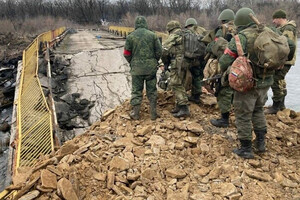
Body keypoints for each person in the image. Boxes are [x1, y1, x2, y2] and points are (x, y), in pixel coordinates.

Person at [219, 8, 279, 159]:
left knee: (243, 115)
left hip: (247, 83)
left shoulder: (241, 38)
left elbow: (224, 61)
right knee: (258, 110)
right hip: (266, 82)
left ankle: (246, 148)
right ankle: (260, 144)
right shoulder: (268, 32)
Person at [123, 16, 162, 120]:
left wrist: (132, 62)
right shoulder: (153, 35)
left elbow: (126, 53)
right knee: (152, 91)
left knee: (136, 91)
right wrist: (154, 61)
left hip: (137, 69)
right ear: (145, 23)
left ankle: (135, 114)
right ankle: (153, 114)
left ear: (136, 24)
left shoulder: (130, 36)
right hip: (151, 69)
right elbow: (159, 51)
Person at [265, 9, 297, 114]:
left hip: (285, 61)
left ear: (279, 18)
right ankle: (281, 106)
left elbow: (287, 46)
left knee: (275, 80)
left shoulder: (288, 29)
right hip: (285, 60)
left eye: (274, 19)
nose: (273, 21)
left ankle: (276, 106)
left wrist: (281, 61)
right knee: (281, 81)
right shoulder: (283, 28)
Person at [207, 9, 236, 128]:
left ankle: (224, 119)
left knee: (223, 89)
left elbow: (215, 45)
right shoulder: (240, 28)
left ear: (223, 19)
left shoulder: (222, 30)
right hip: (241, 65)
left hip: (227, 61)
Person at [161, 20, 190, 118]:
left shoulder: (174, 35)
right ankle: (178, 106)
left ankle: (184, 107)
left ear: (170, 29)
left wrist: (165, 62)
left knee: (175, 84)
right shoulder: (186, 34)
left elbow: (164, 50)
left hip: (177, 63)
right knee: (180, 83)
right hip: (187, 63)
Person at [184, 18, 207, 104]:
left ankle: (192, 96)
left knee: (191, 76)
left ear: (187, 26)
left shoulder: (188, 32)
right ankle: (197, 94)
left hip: (192, 59)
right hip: (203, 57)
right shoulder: (203, 30)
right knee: (199, 76)